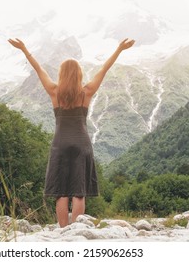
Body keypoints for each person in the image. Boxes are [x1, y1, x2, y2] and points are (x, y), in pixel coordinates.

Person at [8, 37, 135, 227]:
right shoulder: (87, 91)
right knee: (78, 191)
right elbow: (104, 69)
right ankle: (76, 231)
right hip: (81, 144)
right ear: (78, 74)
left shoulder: (54, 91)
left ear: (61, 74)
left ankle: (63, 230)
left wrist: (24, 49)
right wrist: (119, 49)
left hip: (60, 144)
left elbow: (38, 69)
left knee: (61, 192)